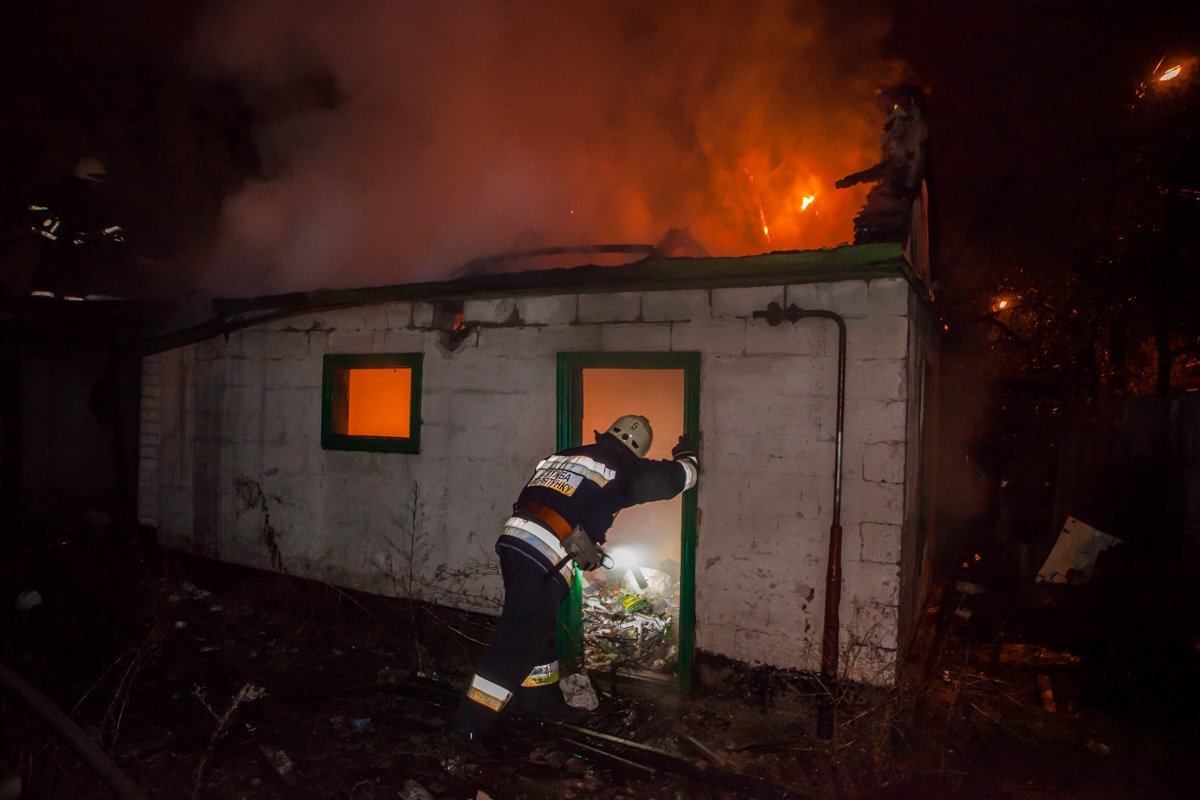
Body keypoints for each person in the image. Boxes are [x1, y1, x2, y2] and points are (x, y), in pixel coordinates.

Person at [451, 415, 699, 749]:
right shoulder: (622, 466)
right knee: (517, 642)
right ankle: (469, 728)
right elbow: (670, 480)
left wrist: (584, 537)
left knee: (537, 628)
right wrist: (689, 458)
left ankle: (540, 702)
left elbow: (558, 499)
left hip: (515, 542)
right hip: (543, 555)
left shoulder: (569, 454)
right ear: (636, 450)